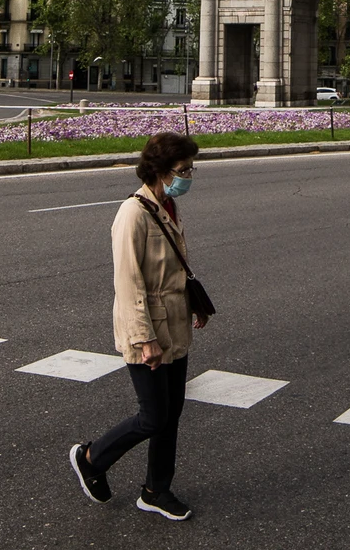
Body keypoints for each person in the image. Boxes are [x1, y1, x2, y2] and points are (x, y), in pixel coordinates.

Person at [69, 131, 207, 521]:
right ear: (160, 171)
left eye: (191, 168)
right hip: (147, 332)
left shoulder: (167, 206)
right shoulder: (132, 214)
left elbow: (172, 270)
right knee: (153, 416)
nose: (189, 176)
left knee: (171, 413)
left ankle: (156, 490)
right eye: (183, 170)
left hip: (174, 327)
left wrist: (195, 305)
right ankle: (92, 458)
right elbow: (128, 283)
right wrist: (144, 339)